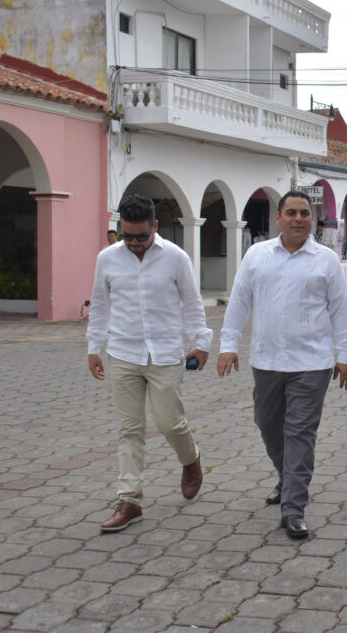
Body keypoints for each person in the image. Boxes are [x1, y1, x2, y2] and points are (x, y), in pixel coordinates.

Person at [217, 191, 347, 540]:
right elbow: (238, 303)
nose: (298, 218)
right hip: (266, 360)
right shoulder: (257, 256)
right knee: (267, 424)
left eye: (305, 213)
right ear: (277, 218)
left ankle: (293, 508)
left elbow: (342, 312)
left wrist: (346, 356)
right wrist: (228, 345)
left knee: (300, 433)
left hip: (312, 363)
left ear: (313, 219)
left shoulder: (326, 260)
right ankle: (287, 475)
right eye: (291, 213)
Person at [87, 194, 209, 532]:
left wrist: (202, 343)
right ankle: (130, 499)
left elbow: (192, 304)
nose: (135, 243)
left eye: (142, 236)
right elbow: (100, 305)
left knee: (170, 423)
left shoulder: (176, 258)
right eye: (127, 236)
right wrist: (93, 346)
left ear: (155, 226)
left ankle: (190, 459)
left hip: (166, 354)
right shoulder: (107, 259)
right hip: (123, 352)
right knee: (130, 429)